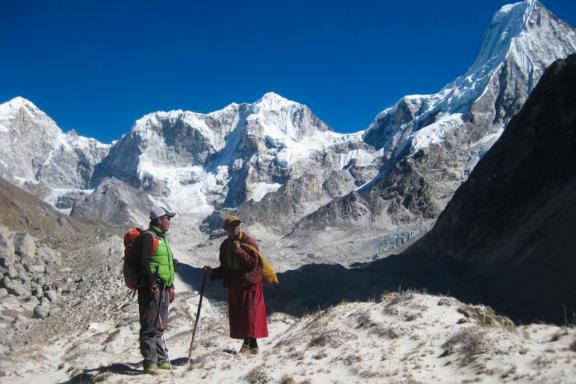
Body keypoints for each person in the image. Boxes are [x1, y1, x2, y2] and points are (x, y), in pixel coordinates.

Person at [203, 215, 268, 355]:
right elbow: (226, 267)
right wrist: (212, 272)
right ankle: (253, 346)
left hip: (250, 283)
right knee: (241, 313)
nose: (236, 227)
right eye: (232, 226)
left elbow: (252, 263)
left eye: (237, 225)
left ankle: (247, 345)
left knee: (249, 313)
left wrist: (239, 251)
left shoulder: (248, 242)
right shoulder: (225, 246)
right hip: (236, 283)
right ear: (226, 229)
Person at [136, 206, 177, 374]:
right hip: (151, 288)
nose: (170, 221)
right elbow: (143, 263)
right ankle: (149, 362)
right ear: (159, 220)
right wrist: (152, 283)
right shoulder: (148, 237)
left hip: (164, 288)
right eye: (168, 218)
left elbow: (167, 265)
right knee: (149, 325)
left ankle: (161, 360)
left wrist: (171, 285)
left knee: (159, 325)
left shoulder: (162, 238)